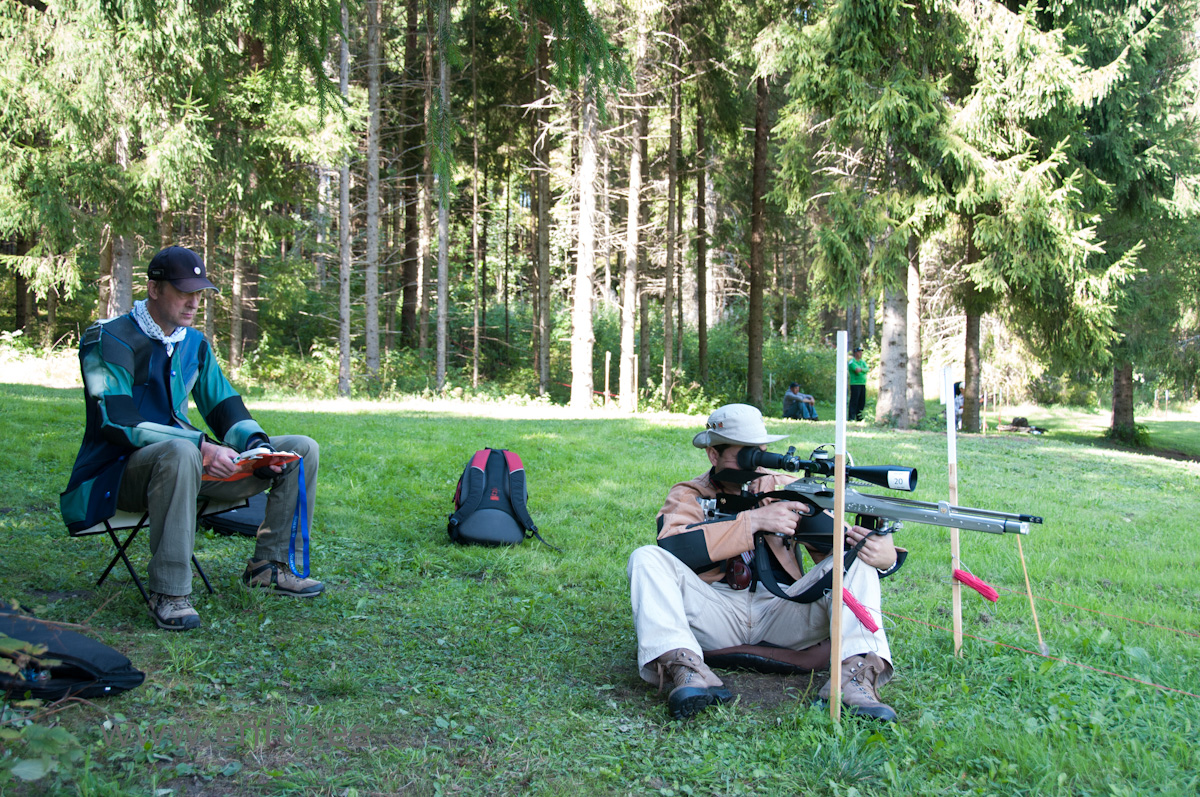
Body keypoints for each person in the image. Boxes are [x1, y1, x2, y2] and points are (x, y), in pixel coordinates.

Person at [60, 246, 324, 631]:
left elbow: (224, 407)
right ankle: (169, 592)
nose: (194, 301)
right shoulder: (107, 338)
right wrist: (201, 446)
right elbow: (116, 422)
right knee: (181, 450)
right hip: (116, 476)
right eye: (184, 291)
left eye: (199, 293)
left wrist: (257, 448)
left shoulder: (194, 343)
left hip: (186, 467)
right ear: (154, 289)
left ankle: (270, 566)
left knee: (300, 449)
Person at [626, 404, 904, 721]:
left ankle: (853, 681)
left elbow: (839, 549)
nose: (755, 462)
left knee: (854, 561)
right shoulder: (689, 494)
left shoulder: (784, 488)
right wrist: (752, 522)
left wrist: (882, 556)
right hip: (716, 613)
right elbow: (674, 547)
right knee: (645, 557)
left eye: (759, 451)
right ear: (713, 455)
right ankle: (686, 670)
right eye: (744, 453)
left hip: (784, 612)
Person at [848, 346, 869, 421]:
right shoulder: (852, 362)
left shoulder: (862, 362)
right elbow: (856, 370)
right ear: (856, 353)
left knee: (862, 401)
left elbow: (867, 369)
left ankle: (859, 417)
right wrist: (862, 370)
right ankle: (851, 417)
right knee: (854, 401)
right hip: (855, 384)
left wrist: (862, 370)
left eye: (861, 352)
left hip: (862, 384)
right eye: (859, 352)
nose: (860, 354)